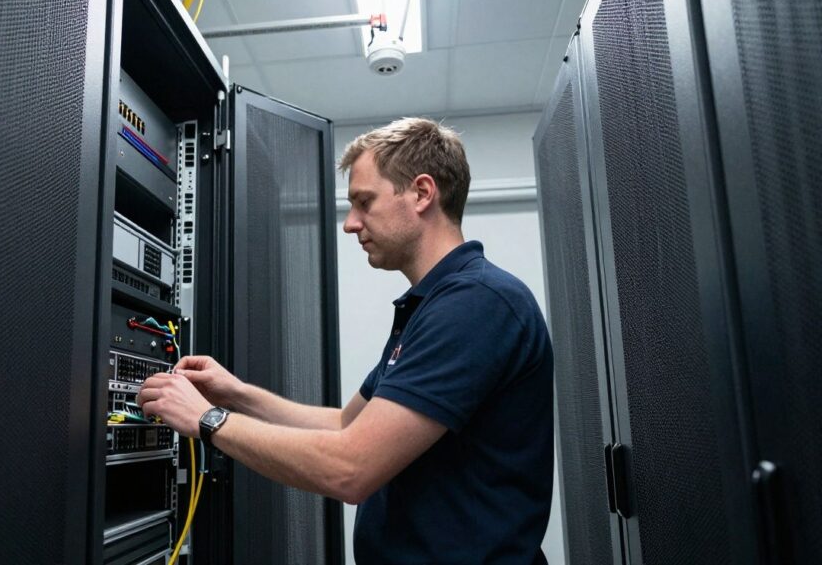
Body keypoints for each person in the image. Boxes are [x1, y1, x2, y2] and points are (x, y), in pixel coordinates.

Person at [138, 117, 553, 565]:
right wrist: (235, 394)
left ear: (421, 192)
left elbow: (350, 468)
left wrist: (208, 419)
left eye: (364, 202)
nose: (350, 224)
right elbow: (344, 425)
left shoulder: (475, 303)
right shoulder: (434, 305)